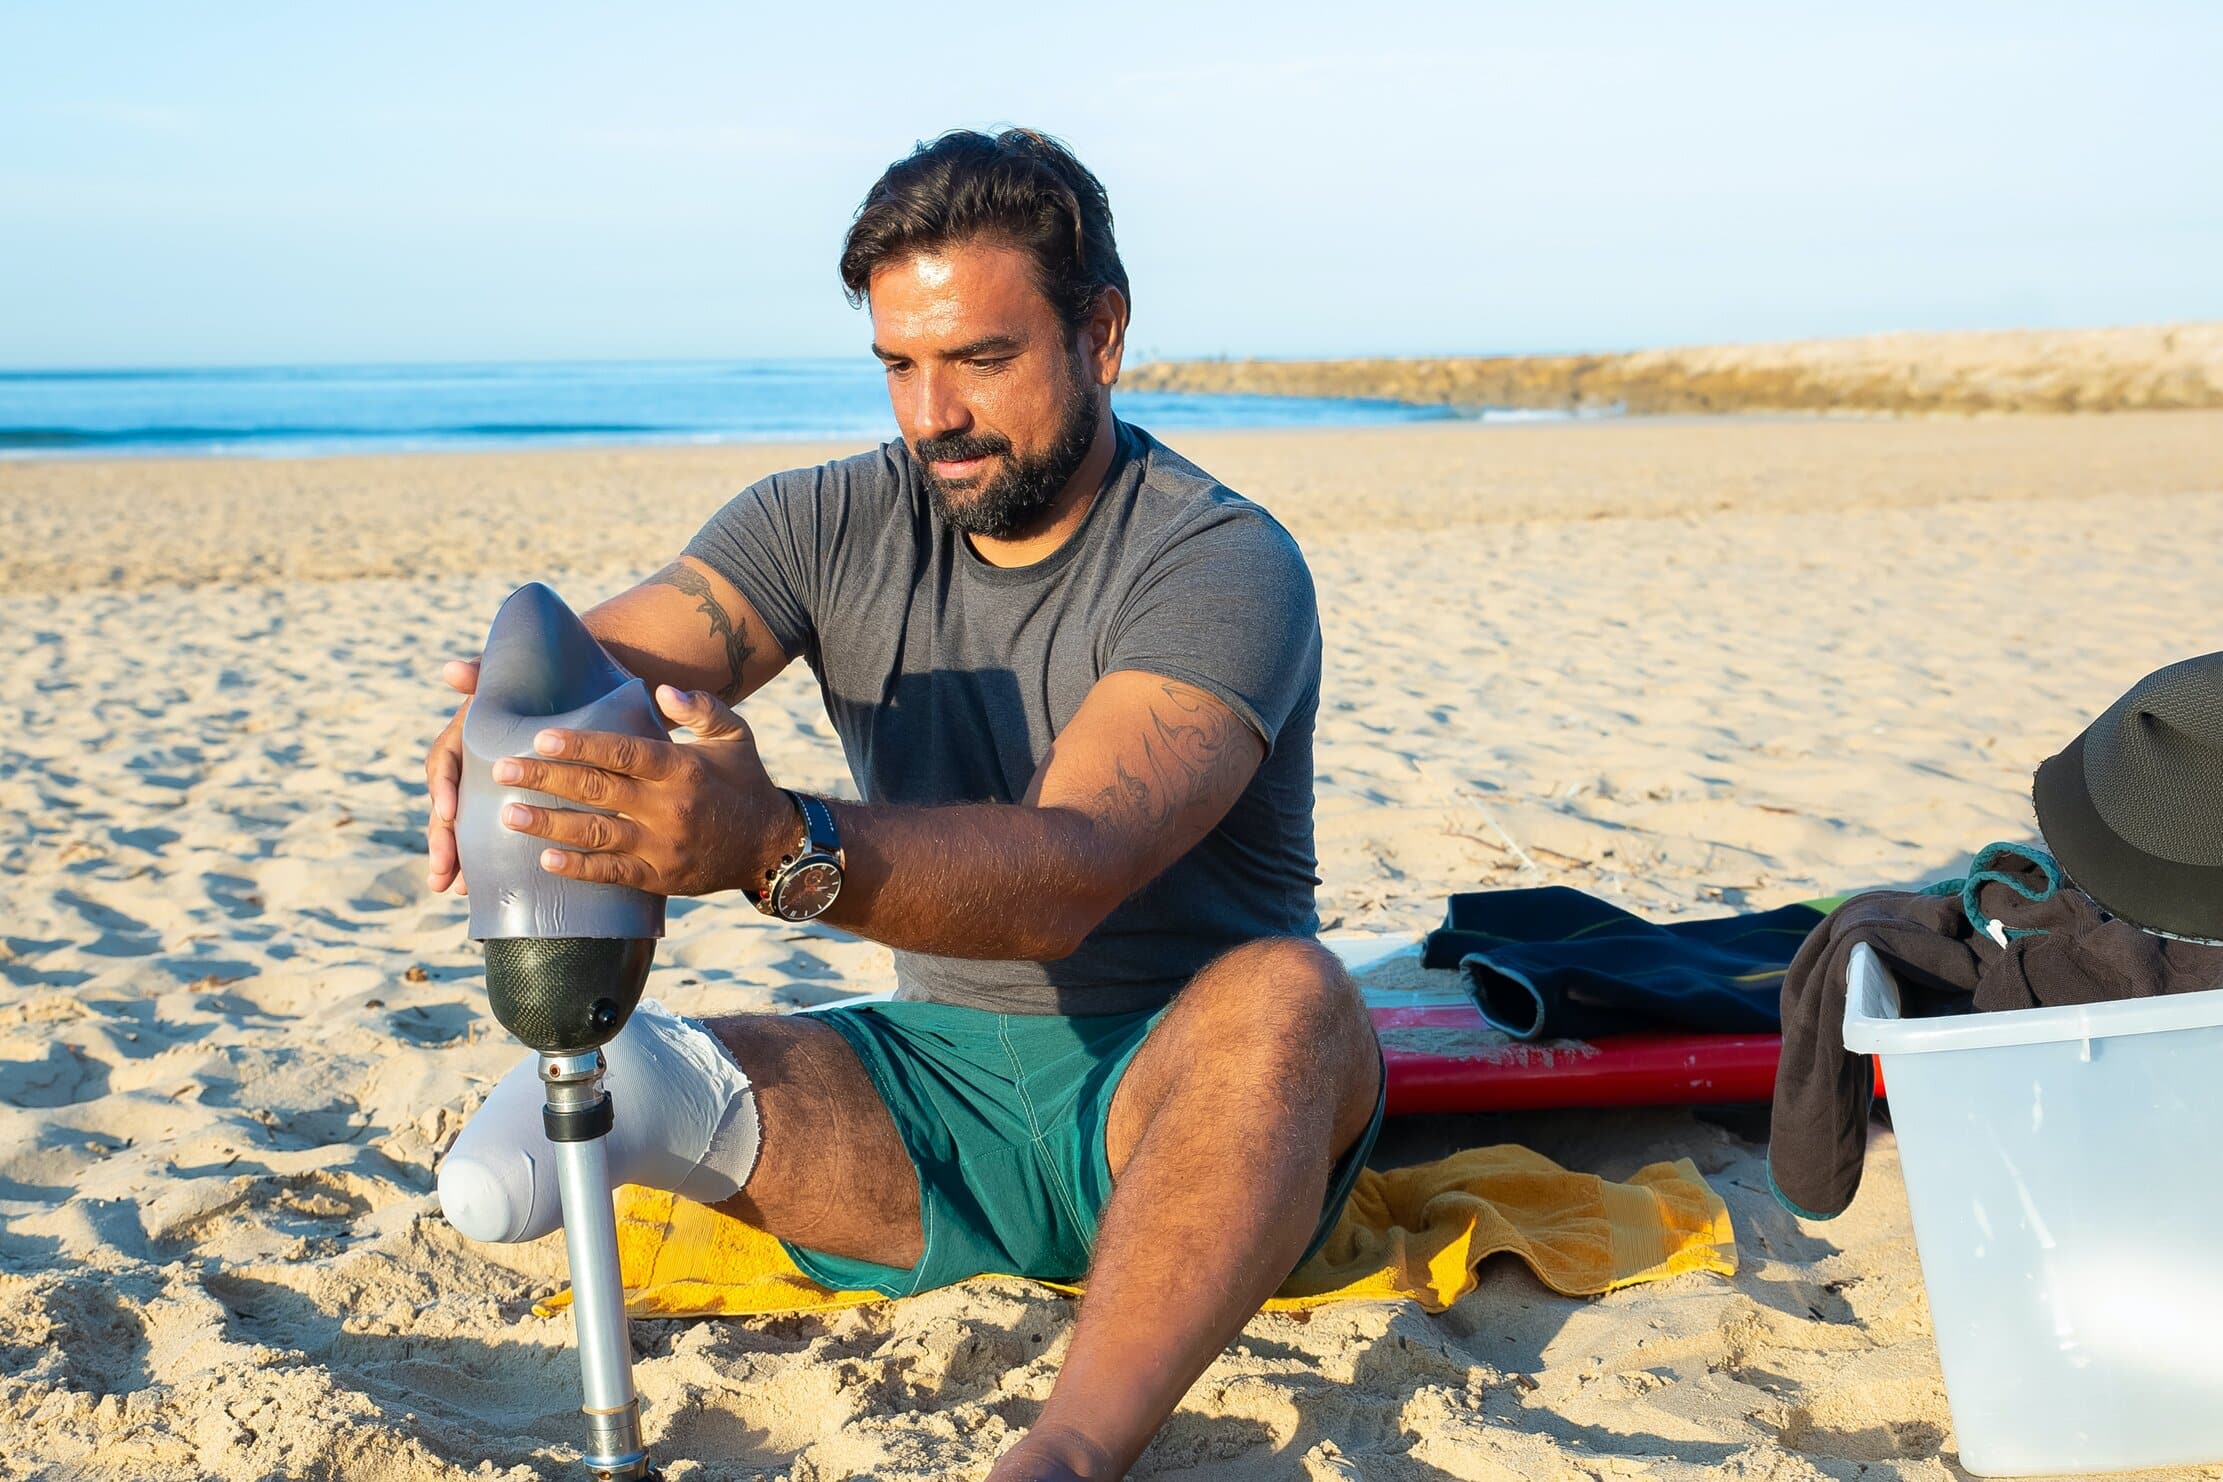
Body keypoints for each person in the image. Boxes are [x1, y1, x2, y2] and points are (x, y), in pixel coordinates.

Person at [423, 128, 1383, 1481]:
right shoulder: (820, 522)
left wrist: (770, 842)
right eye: (899, 365)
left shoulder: (1224, 562)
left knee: (1294, 996)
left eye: (982, 359)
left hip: (1184, 1082)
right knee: (710, 1056)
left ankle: (1067, 1451)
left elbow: (1072, 871)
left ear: (1101, 335)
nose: (933, 413)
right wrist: (512, 723)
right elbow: (594, 663)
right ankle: (651, 1092)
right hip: (934, 1081)